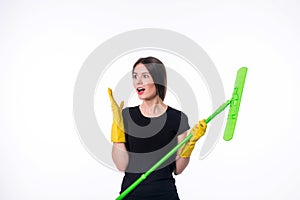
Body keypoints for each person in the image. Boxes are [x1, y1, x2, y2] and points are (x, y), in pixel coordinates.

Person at [108, 56, 207, 200]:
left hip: (165, 194)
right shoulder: (126, 115)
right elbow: (121, 165)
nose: (138, 82)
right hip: (131, 195)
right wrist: (117, 130)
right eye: (135, 76)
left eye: (145, 76)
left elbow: (178, 169)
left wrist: (191, 143)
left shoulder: (178, 118)